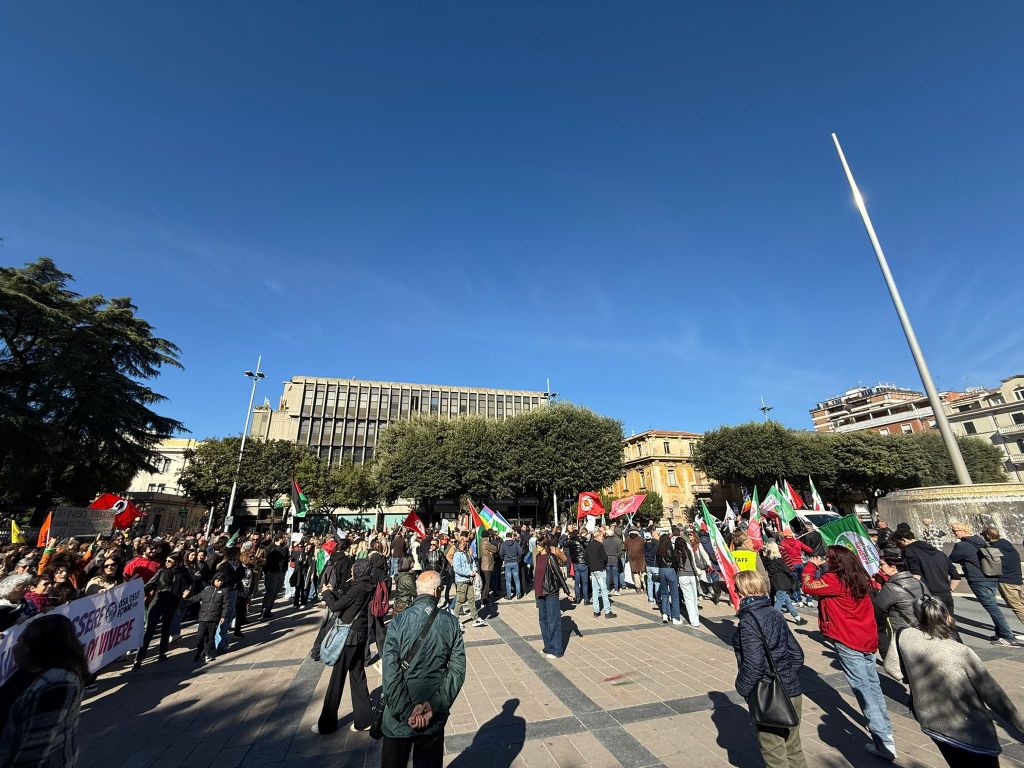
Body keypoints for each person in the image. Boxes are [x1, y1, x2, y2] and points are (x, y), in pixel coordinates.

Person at [885, 596, 1024, 767]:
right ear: (947, 617)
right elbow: (993, 694)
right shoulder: (961, 651)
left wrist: (912, 678)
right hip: (970, 729)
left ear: (917, 616)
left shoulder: (903, 634)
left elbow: (892, 667)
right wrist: (1019, 724)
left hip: (930, 720)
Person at [802, 546, 896, 761]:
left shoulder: (835, 581)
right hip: (866, 636)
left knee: (862, 688)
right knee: (872, 684)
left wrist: (810, 566)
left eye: (829, 558)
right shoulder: (860, 576)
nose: (825, 560)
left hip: (847, 637)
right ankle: (885, 727)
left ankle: (883, 741)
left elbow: (808, 586)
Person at [380, 571, 467, 768]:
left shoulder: (398, 621)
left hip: (397, 716)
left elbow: (390, 670)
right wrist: (434, 707)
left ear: (418, 591)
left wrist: (406, 712)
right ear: (437, 591)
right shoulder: (451, 622)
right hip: (431, 714)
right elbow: (457, 671)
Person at [732, 571, 807, 768]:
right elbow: (797, 655)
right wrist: (787, 675)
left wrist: (742, 688)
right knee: (793, 748)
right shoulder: (775, 612)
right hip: (792, 689)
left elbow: (754, 663)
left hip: (768, 694)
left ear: (741, 591)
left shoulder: (749, 620)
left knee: (774, 753)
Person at [0, 614, 88, 767]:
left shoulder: (58, 684)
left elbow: (34, 751)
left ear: (39, 647)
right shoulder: (27, 671)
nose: (15, 648)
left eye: (22, 642)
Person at [313, 559, 375, 735]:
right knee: (357, 676)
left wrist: (326, 593)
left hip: (348, 638)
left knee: (336, 681)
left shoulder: (357, 588)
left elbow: (335, 606)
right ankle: (364, 720)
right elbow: (348, 602)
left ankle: (326, 724)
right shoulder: (368, 585)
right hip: (361, 635)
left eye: (354, 569)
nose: (352, 572)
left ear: (358, 571)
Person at [949, 522, 1021, 647]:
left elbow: (952, 559)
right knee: (993, 606)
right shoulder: (980, 541)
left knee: (993, 608)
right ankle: (1000, 634)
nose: (953, 533)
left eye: (955, 531)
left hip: (978, 580)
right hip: (992, 577)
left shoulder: (961, 545)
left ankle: (1009, 637)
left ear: (963, 531)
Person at [134, 552, 190, 668]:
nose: (167, 563)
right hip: (158, 602)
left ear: (177, 562)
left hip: (172, 603)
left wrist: (188, 591)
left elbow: (190, 583)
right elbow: (150, 585)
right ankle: (139, 658)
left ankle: (162, 652)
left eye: (170, 561)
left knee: (166, 628)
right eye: (166, 561)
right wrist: (136, 593)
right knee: (149, 630)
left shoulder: (183, 572)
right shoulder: (161, 571)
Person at [895, 530, 958, 616]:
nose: (899, 547)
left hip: (927, 596)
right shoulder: (940, 553)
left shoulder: (909, 551)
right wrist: (949, 590)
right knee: (949, 624)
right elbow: (956, 577)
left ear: (904, 540)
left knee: (931, 626)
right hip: (946, 595)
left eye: (898, 544)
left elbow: (916, 576)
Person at [874, 557, 928, 656]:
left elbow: (877, 609)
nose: (879, 568)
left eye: (882, 564)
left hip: (903, 630)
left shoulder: (890, 587)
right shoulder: (919, 582)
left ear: (893, 567)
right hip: (923, 626)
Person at [981, 526, 1024, 628]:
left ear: (987, 536)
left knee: (1017, 607)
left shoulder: (993, 549)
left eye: (983, 536)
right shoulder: (1007, 544)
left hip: (1006, 581)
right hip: (1018, 579)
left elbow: (991, 566)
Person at [534, 534, 568, 658]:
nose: (537, 546)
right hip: (540, 592)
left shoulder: (551, 557)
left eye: (539, 544)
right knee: (543, 620)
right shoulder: (538, 556)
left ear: (545, 546)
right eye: (537, 544)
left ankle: (556, 650)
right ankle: (548, 646)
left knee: (554, 620)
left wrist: (566, 590)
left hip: (551, 591)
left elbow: (558, 574)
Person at [761, 541, 806, 625]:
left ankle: (797, 618)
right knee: (779, 601)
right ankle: (773, 619)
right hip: (782, 583)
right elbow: (787, 570)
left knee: (787, 601)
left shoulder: (767, 560)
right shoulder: (778, 560)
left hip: (775, 582)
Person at [193, 572, 230, 663]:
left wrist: (223, 616)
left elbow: (226, 605)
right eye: (217, 580)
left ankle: (207, 654)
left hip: (214, 619)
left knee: (210, 638)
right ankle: (200, 652)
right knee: (199, 637)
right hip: (203, 618)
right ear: (213, 580)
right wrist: (185, 598)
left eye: (221, 581)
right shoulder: (207, 590)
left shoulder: (224, 591)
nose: (219, 582)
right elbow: (196, 598)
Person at [452, 539, 486, 629]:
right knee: (460, 600)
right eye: (464, 544)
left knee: (471, 599)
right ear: (459, 545)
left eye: (466, 544)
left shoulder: (467, 553)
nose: (466, 546)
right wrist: (469, 572)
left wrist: (474, 570)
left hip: (469, 580)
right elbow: (457, 569)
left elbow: (472, 562)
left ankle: (475, 618)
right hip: (461, 581)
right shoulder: (457, 555)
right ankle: (455, 619)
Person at [585, 529, 615, 618]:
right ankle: (607, 612)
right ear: (598, 537)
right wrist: (603, 563)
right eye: (602, 536)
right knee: (604, 591)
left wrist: (590, 564)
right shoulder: (599, 545)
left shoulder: (589, 545)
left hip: (593, 570)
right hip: (600, 569)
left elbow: (585, 556)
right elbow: (605, 557)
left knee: (595, 591)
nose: (603, 538)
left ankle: (596, 611)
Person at [674, 534, 701, 627]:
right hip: (692, 575)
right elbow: (695, 563)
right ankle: (696, 618)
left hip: (682, 576)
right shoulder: (689, 551)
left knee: (688, 599)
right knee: (694, 598)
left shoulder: (676, 553)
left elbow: (675, 566)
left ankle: (694, 621)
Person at [260, 534, 288, 619]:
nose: (285, 539)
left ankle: (269, 609)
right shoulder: (269, 547)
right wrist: (266, 571)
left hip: (281, 572)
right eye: (284, 538)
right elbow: (266, 560)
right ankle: (264, 610)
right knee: (270, 592)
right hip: (271, 572)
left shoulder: (285, 548)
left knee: (275, 592)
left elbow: (286, 559)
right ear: (280, 539)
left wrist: (284, 569)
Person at [656, 534, 681, 625]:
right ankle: (675, 617)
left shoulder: (659, 550)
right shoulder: (671, 550)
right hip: (670, 570)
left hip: (661, 570)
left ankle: (665, 614)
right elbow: (675, 562)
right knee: (674, 595)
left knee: (664, 594)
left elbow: (657, 562)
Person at [566, 529, 589, 604]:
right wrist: (584, 538)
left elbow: (564, 544)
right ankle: (586, 599)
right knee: (584, 582)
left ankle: (578, 598)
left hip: (575, 562)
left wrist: (569, 538)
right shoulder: (582, 541)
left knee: (577, 582)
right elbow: (587, 546)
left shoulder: (570, 542)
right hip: (583, 562)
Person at [499, 531, 523, 600]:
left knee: (508, 580)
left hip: (507, 563)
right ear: (511, 537)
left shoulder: (503, 544)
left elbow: (501, 553)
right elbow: (520, 552)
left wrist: (503, 559)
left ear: (506, 537)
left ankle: (509, 595)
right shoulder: (516, 543)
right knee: (517, 579)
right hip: (515, 562)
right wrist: (518, 559)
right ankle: (519, 594)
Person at [604, 526, 624, 595]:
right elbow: (620, 552)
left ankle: (607, 589)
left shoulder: (604, 542)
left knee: (608, 575)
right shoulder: (617, 542)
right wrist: (617, 556)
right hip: (615, 559)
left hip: (607, 560)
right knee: (615, 575)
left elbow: (603, 552)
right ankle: (616, 590)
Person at [478, 532, 498, 604]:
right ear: (487, 536)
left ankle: (484, 598)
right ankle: (484, 599)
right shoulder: (486, 542)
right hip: (487, 565)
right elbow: (495, 549)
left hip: (483, 564)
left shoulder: (481, 542)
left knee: (484, 582)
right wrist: (491, 552)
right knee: (486, 583)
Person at [625, 529, 646, 595]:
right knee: (643, 572)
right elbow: (645, 547)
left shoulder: (627, 539)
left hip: (632, 558)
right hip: (641, 557)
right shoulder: (641, 539)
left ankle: (638, 587)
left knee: (635, 573)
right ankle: (645, 586)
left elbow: (625, 548)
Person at [644, 531, 660, 605]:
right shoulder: (655, 545)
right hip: (655, 565)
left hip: (648, 565)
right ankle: (658, 598)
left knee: (649, 582)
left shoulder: (644, 546)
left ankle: (650, 599)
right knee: (657, 583)